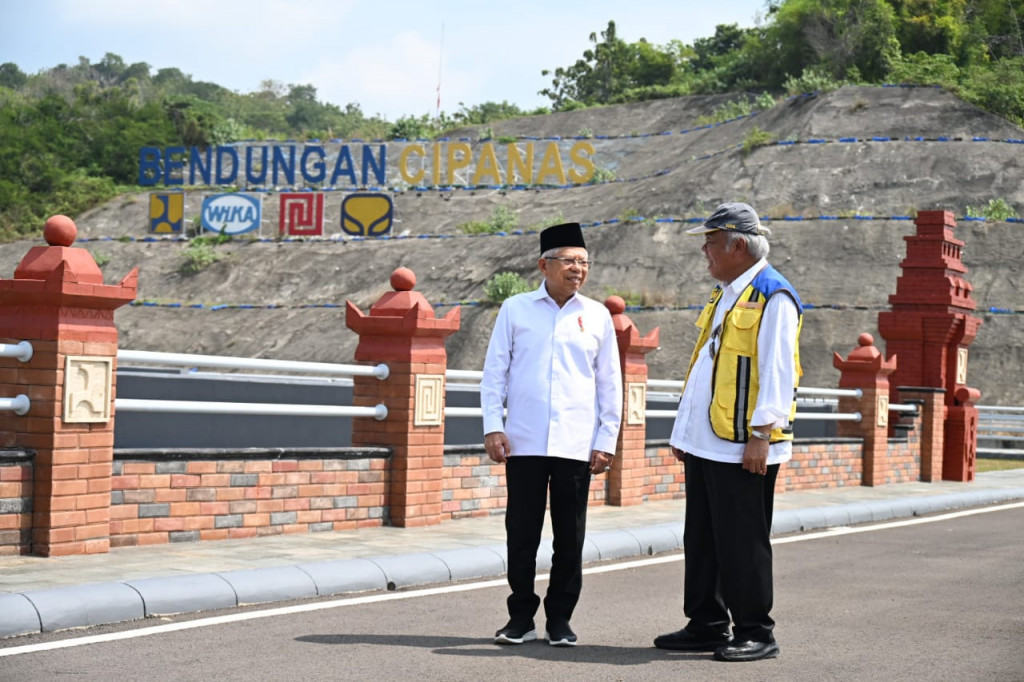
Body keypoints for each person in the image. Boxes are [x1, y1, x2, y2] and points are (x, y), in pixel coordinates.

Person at [653, 202, 803, 662]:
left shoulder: (773, 295)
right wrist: (684, 432)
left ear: (738, 245)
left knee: (742, 542)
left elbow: (778, 372)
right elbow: (706, 365)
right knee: (701, 539)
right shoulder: (726, 293)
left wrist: (762, 435)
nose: (705, 251)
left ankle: (756, 630)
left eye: (711, 242)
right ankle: (707, 623)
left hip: (743, 444)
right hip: (708, 440)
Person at [480, 222, 623, 648]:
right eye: (569, 261)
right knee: (521, 534)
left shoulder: (596, 315)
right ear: (544, 265)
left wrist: (606, 440)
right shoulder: (516, 309)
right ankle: (520, 617)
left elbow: (610, 383)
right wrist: (493, 426)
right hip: (523, 442)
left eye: (584, 262)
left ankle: (560, 619)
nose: (578, 269)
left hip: (576, 445)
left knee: (570, 538)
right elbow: (494, 372)